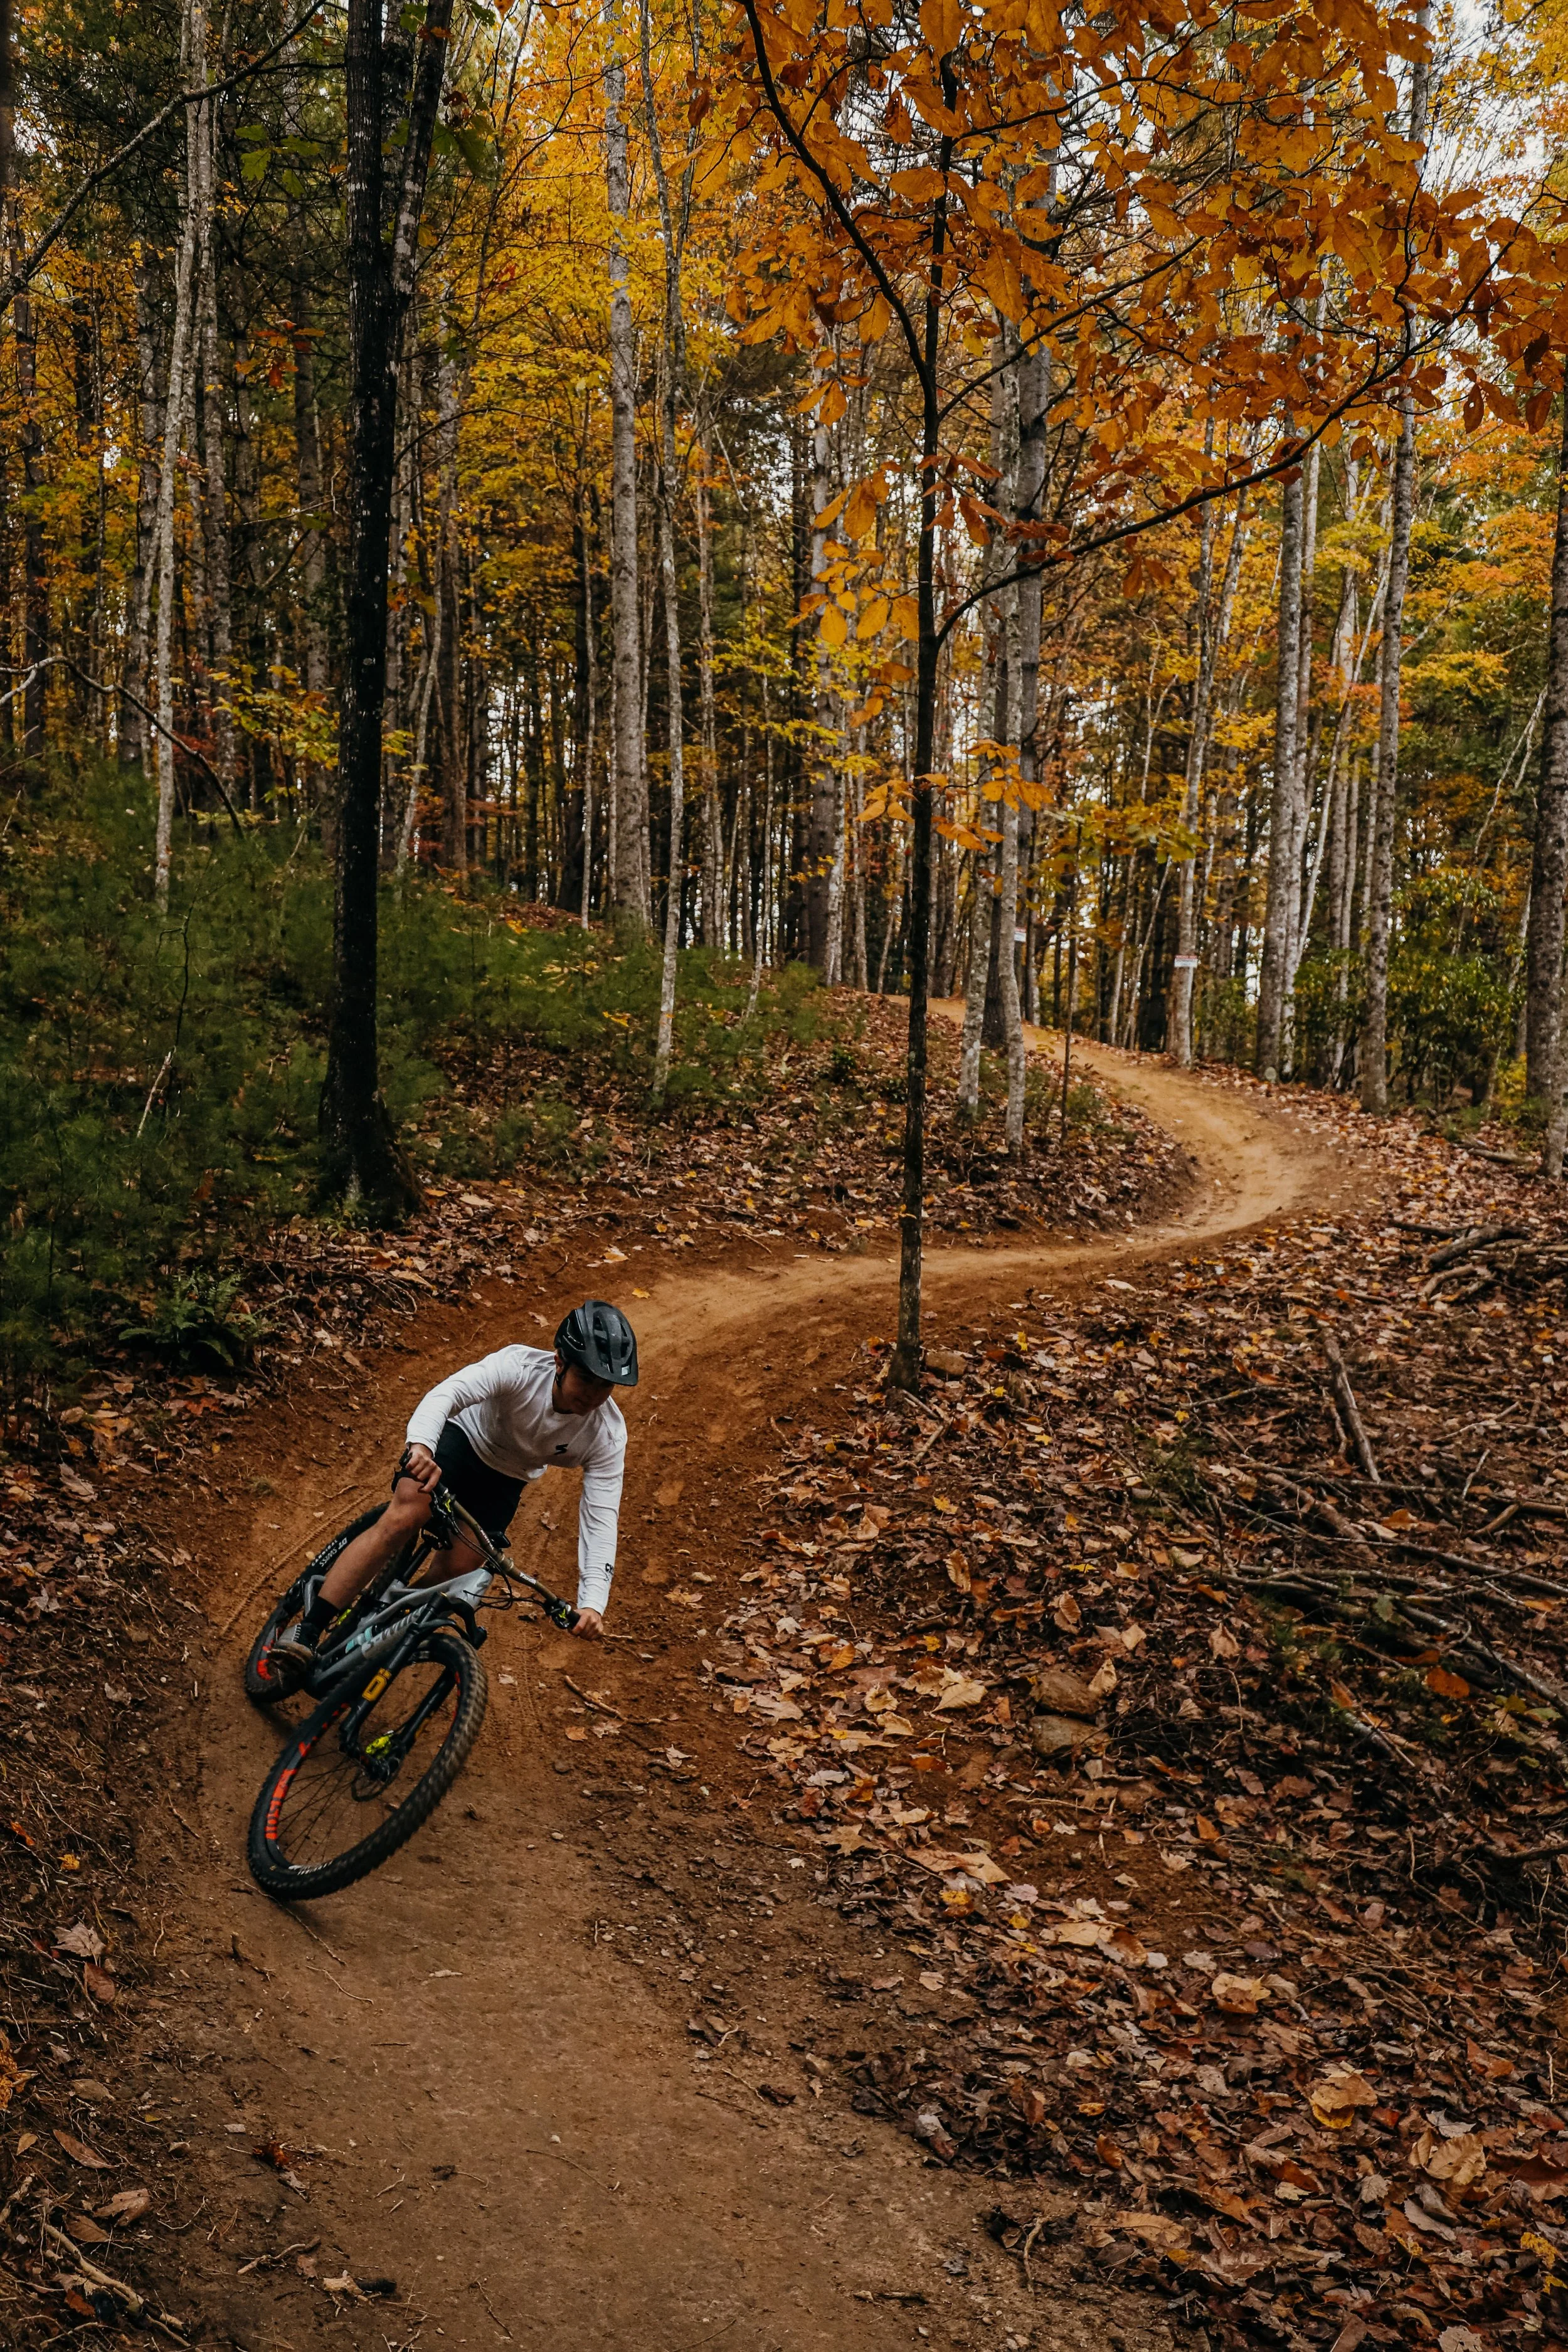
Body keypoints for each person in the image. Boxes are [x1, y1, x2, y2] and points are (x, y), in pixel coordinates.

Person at [272, 1300, 637, 1670]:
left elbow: (601, 1516)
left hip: (506, 1479)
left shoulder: (606, 1433)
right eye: (586, 1379)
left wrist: (593, 1601)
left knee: (458, 1571)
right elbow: (448, 1394)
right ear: (560, 1362)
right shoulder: (519, 1368)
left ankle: (378, 1624)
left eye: (605, 1385)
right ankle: (308, 1628)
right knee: (406, 1515)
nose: (593, 1395)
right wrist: (422, 1447)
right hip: (461, 1441)